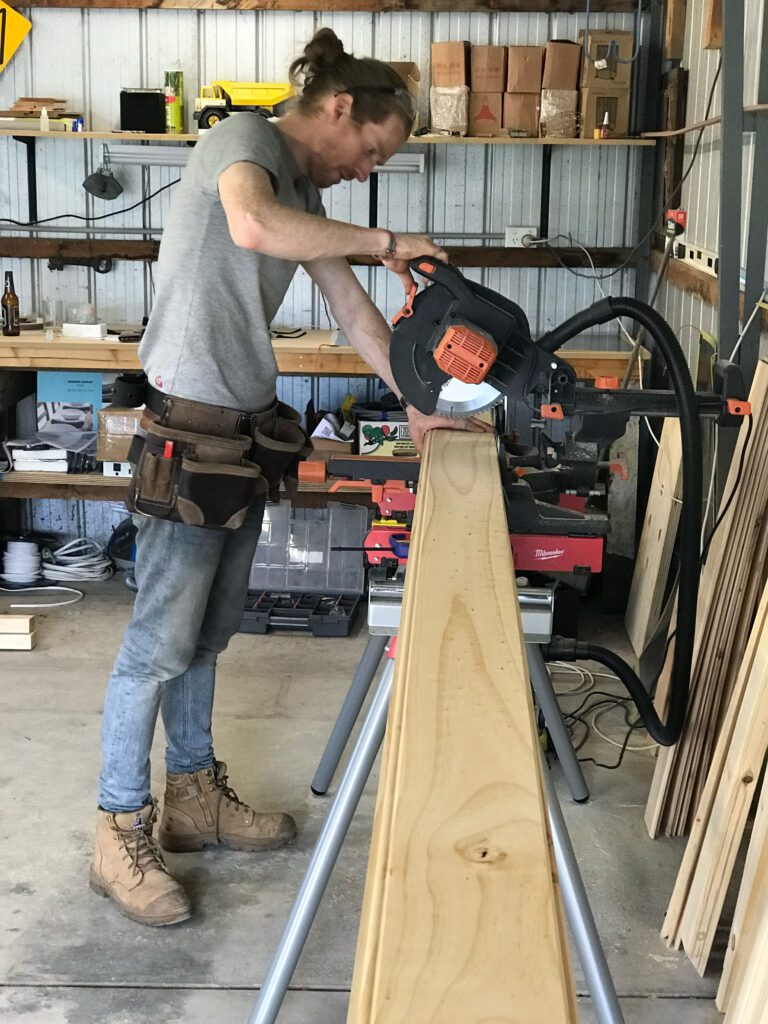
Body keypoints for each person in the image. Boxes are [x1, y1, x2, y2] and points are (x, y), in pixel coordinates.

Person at [90, 27, 489, 928]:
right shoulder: (246, 147)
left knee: (206, 637)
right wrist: (386, 237)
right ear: (340, 107)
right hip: (188, 431)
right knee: (156, 643)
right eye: (372, 149)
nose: (367, 168)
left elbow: (349, 306)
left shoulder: (302, 189)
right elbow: (249, 223)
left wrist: (421, 402)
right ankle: (117, 825)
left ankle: (192, 795)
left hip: (238, 437)